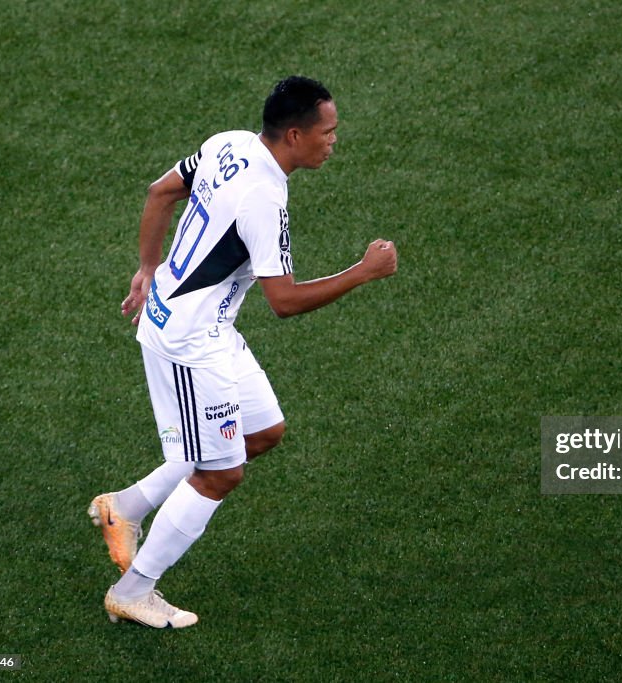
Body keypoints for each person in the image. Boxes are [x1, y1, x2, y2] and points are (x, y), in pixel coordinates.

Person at [88, 76, 398, 629]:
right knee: (221, 474)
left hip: (210, 326)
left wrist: (148, 267)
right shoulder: (264, 197)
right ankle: (133, 591)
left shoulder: (227, 142)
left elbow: (161, 192)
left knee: (262, 433)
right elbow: (283, 301)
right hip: (189, 342)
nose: (334, 142)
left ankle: (125, 508)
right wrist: (364, 272)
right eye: (328, 133)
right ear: (296, 135)